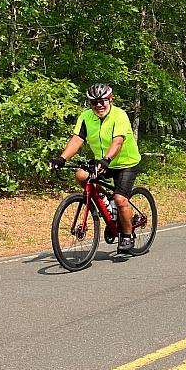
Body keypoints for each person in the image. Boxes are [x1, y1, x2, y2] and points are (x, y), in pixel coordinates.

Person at [51, 84, 142, 253]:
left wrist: (106, 159)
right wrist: (62, 158)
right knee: (80, 175)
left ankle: (127, 235)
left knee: (121, 200)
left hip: (125, 162)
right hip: (103, 162)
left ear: (110, 100)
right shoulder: (86, 117)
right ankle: (107, 203)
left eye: (102, 101)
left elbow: (118, 142)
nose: (98, 105)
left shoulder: (119, 116)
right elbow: (77, 139)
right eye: (94, 102)